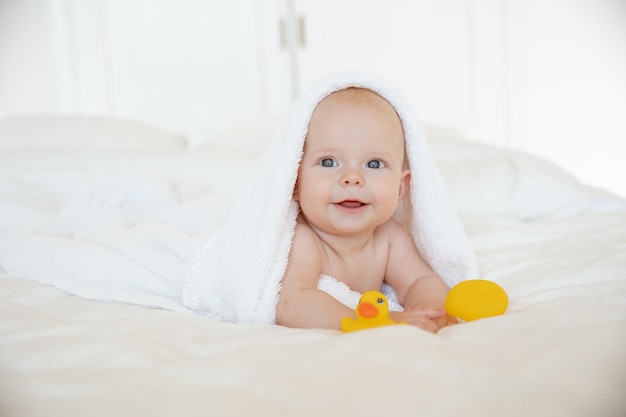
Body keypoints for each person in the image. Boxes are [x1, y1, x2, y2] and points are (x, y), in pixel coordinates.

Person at [276, 87, 458, 333]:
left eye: (374, 164)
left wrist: (430, 311)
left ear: (400, 188)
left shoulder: (389, 237)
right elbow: (292, 304)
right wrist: (378, 321)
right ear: (295, 183)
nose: (352, 178)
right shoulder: (304, 239)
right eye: (328, 162)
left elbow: (420, 281)